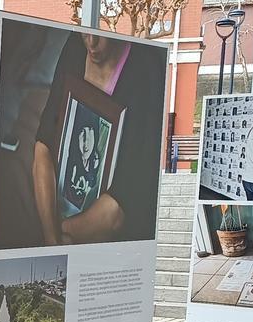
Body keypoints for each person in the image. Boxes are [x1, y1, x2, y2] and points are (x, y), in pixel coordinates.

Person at [32, 30, 164, 245]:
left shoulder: (145, 66)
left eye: (99, 35)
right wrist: (51, 237)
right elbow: (44, 142)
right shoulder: (75, 47)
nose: (91, 43)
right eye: (85, 35)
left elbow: (123, 202)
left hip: (118, 225)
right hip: (65, 216)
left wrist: (61, 236)